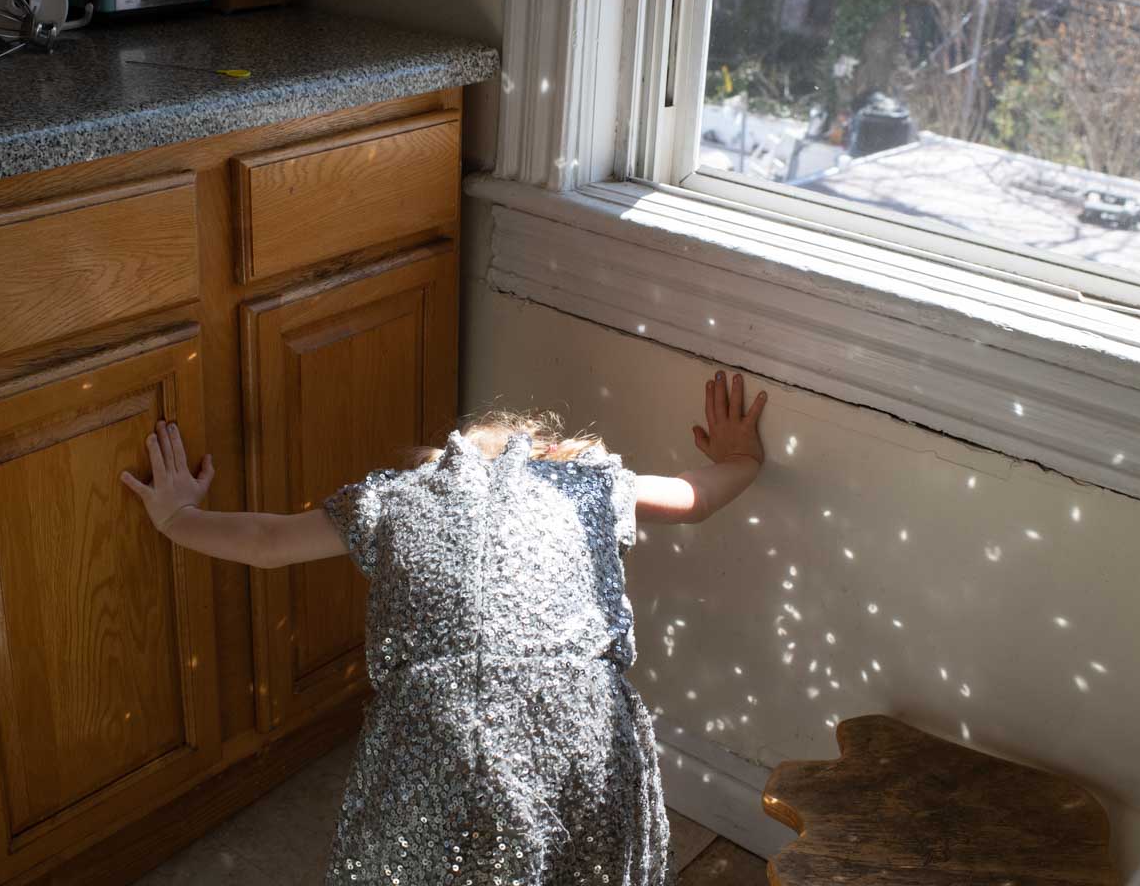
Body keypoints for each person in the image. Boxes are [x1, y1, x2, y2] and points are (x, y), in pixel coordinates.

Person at [122, 371, 768, 885]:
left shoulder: (394, 495)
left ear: (436, 463)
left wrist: (179, 517)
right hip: (581, 715)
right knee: (584, 850)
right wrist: (741, 458)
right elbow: (694, 498)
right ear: (554, 451)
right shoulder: (589, 483)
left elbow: (268, 541)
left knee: (428, 849)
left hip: (438, 720)